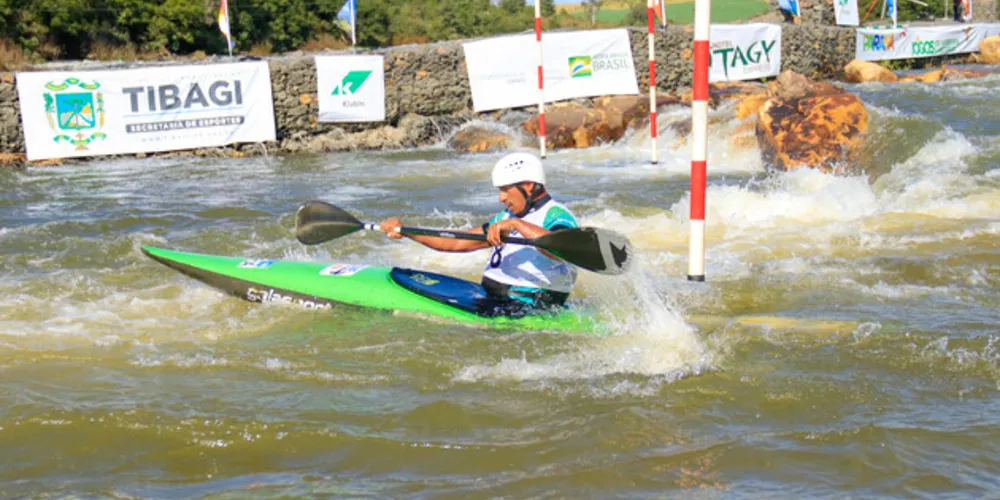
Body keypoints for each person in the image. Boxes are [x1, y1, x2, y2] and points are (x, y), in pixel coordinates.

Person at [379, 152, 579, 317]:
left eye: (505, 190)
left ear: (527, 185)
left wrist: (516, 224)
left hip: (530, 307)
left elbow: (563, 249)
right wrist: (406, 231)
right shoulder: (508, 215)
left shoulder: (556, 215)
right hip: (492, 298)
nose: (501, 198)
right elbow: (458, 243)